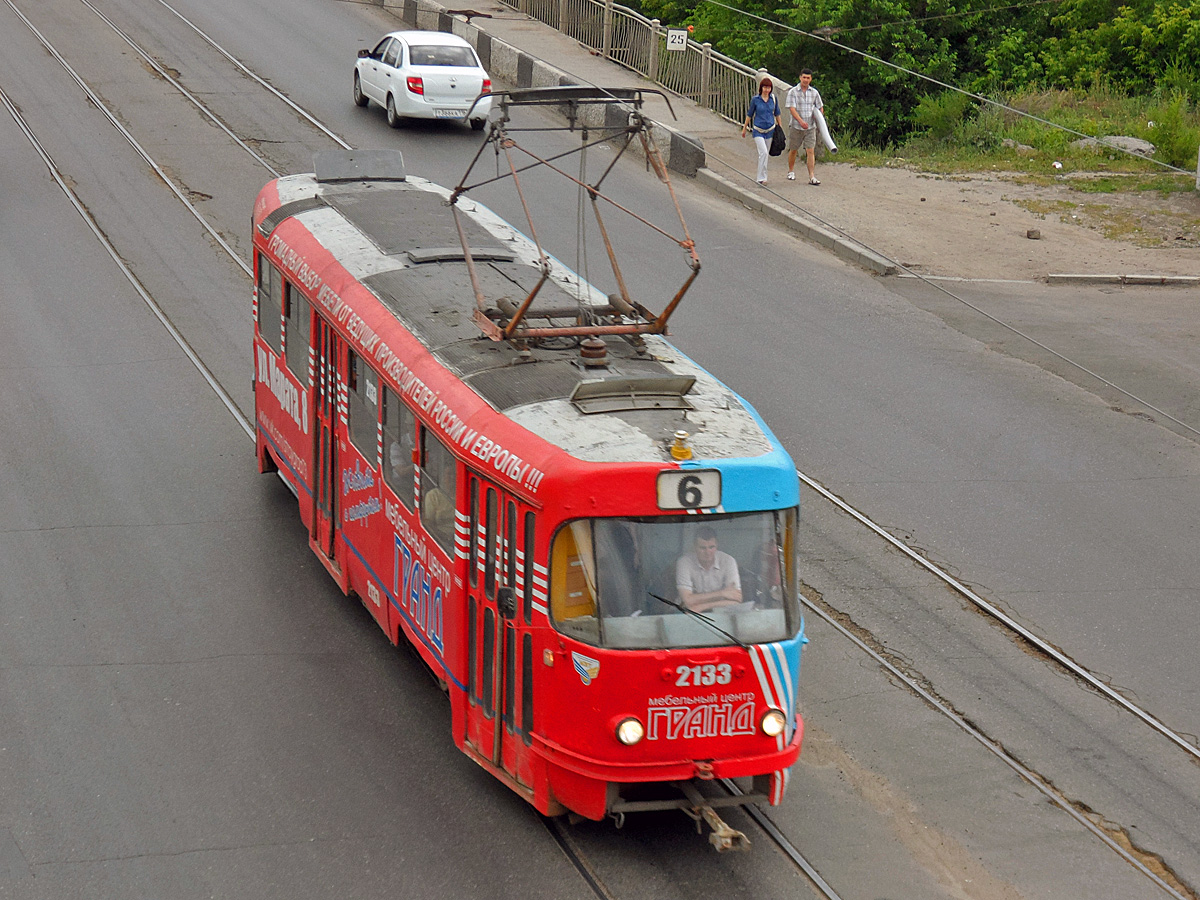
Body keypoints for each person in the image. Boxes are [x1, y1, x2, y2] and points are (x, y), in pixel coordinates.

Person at [676, 526, 742, 613]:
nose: (708, 552)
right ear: (695, 547)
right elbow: (687, 601)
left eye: (711, 547)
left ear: (717, 546)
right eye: (703, 548)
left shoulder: (728, 561)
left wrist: (702, 606)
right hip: (686, 612)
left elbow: (737, 599)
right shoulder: (684, 562)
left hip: (713, 610)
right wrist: (722, 593)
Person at [785, 69, 824, 185]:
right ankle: (791, 171)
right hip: (796, 126)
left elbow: (820, 106)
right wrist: (800, 121)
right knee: (793, 149)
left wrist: (820, 118)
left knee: (810, 150)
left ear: (810, 79)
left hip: (810, 127)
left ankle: (812, 176)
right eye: (804, 77)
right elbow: (792, 108)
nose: (806, 80)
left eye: (808, 78)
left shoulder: (814, 93)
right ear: (800, 78)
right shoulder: (793, 92)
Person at [740, 78, 782, 186]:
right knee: (762, 152)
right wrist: (744, 128)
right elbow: (750, 114)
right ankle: (760, 178)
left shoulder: (773, 99)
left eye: (768, 87)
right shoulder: (756, 100)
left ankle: (764, 176)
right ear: (761, 88)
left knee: (765, 154)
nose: (766, 90)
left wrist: (780, 128)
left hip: (770, 130)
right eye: (765, 87)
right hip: (758, 130)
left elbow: (777, 113)